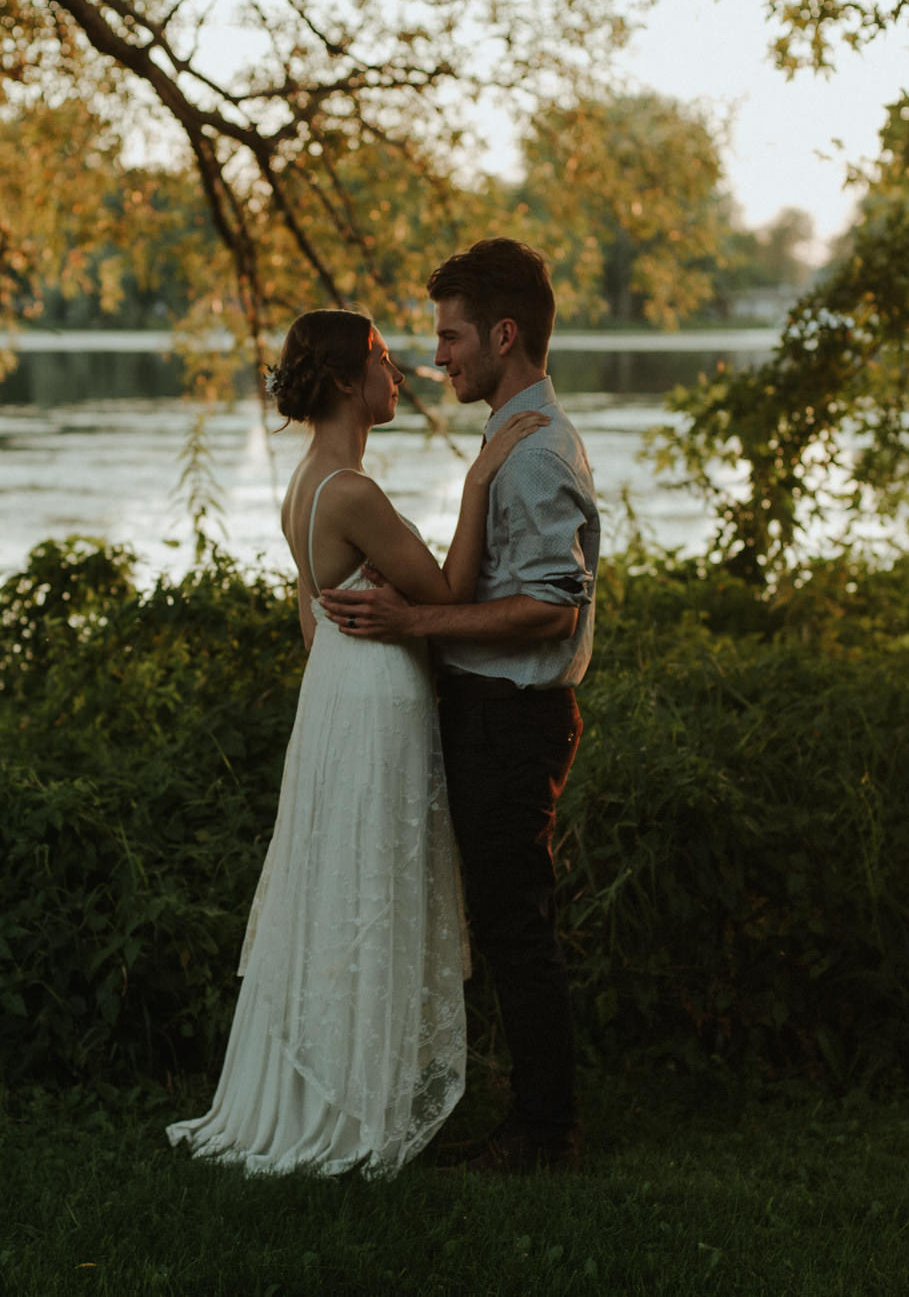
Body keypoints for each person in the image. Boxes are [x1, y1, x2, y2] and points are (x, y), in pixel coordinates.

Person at [166, 307, 546, 1177]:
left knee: (342, 877)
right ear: (345, 379)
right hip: (373, 697)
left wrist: (349, 664)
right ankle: (352, 1102)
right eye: (380, 357)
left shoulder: (308, 482)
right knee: (372, 878)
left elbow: (311, 616)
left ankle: (333, 1083)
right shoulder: (352, 492)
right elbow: (448, 590)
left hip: (337, 690)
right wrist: (482, 477)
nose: (400, 371)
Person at [319, 238, 599, 1174]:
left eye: (449, 337)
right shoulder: (508, 436)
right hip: (490, 709)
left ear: (504, 333)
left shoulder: (533, 451)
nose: (436, 356)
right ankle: (532, 1119)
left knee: (518, 921)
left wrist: (420, 620)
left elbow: (554, 604)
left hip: (515, 719)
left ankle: (545, 1131)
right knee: (509, 916)